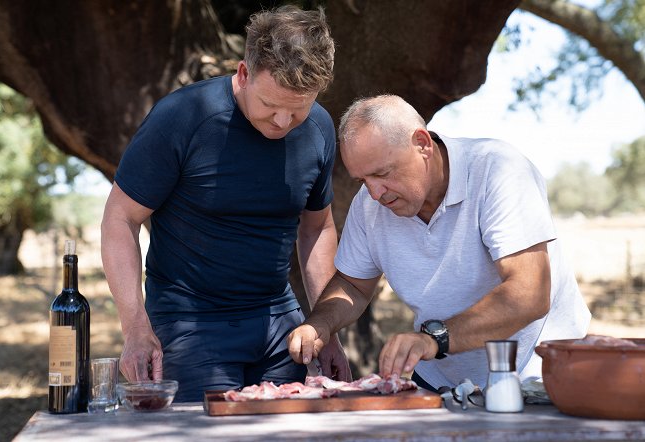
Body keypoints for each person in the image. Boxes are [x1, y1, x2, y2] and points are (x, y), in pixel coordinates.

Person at [101, 5, 350, 402]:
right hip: (190, 321)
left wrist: (326, 328)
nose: (283, 122)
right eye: (270, 105)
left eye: (298, 108)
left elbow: (316, 227)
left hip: (279, 321)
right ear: (244, 74)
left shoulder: (319, 129)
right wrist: (134, 326)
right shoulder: (182, 118)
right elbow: (120, 218)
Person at [288, 94, 591, 392]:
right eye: (362, 180)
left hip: (535, 374)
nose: (376, 192)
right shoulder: (369, 204)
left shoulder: (497, 170)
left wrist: (435, 339)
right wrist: (320, 325)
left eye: (382, 173)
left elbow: (529, 294)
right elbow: (352, 286)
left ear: (422, 144)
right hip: (441, 380)